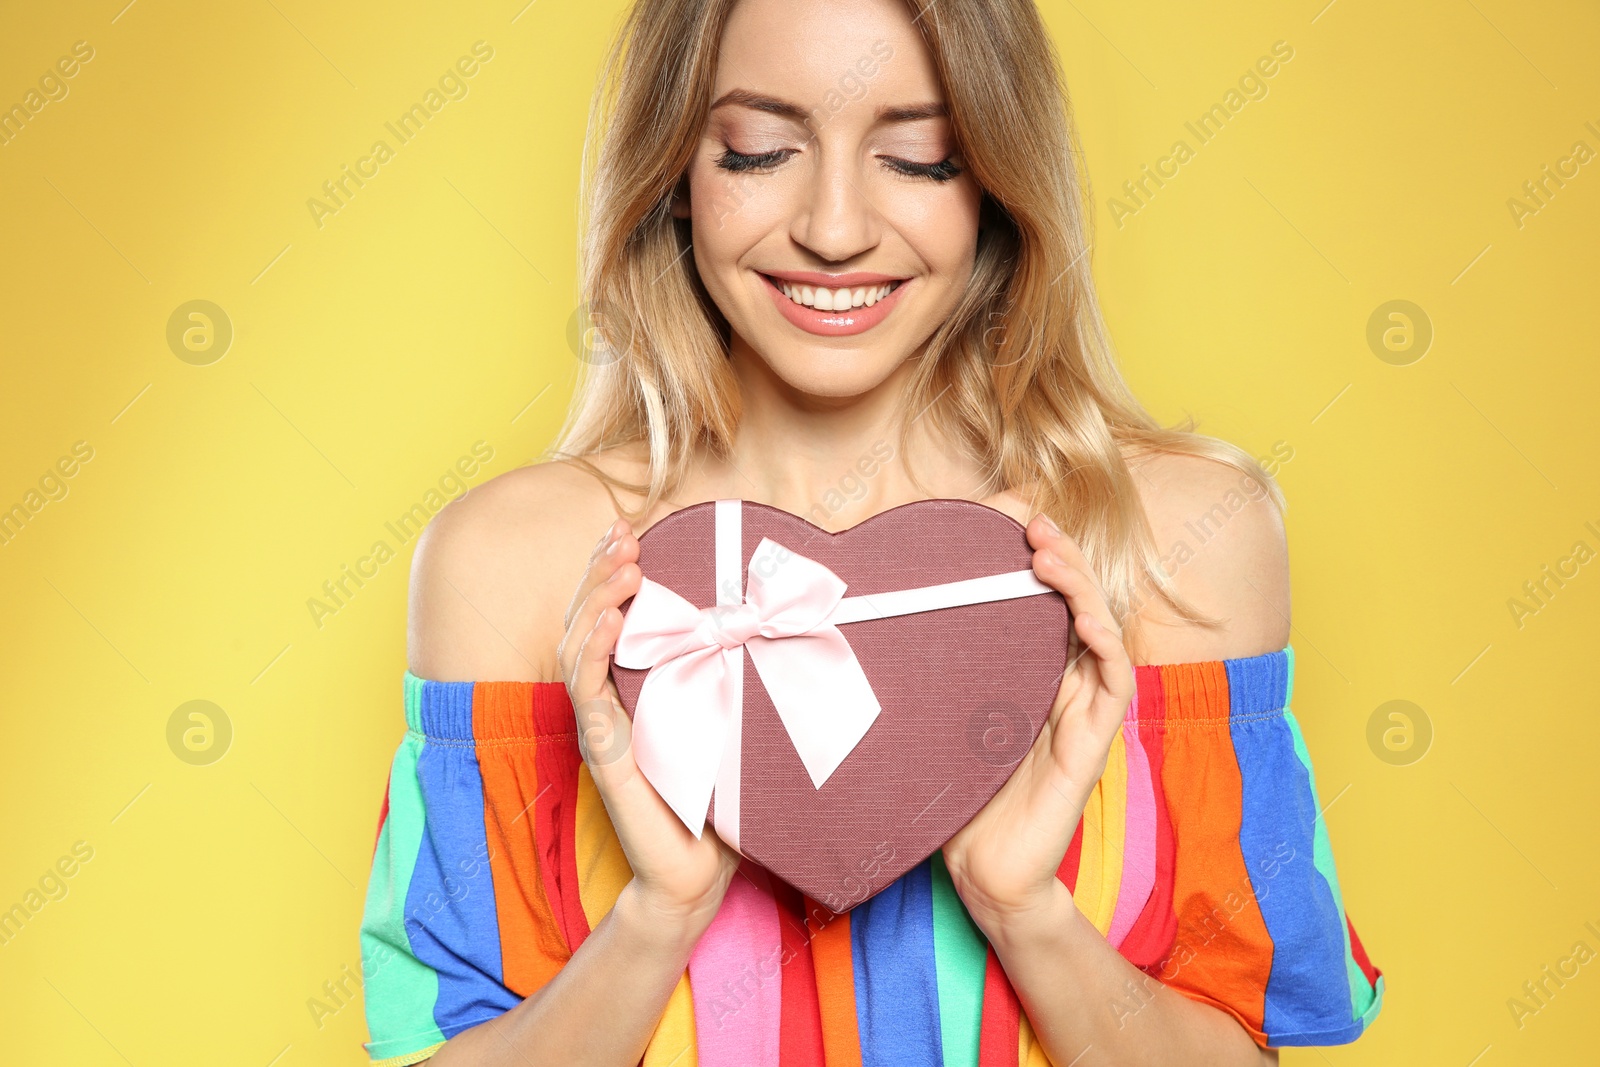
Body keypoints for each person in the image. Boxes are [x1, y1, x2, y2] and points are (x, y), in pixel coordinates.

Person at [358, 0, 1384, 1063]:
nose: (835, 228)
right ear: (674, 172)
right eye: (758, 151)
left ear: (994, 176)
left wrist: (1021, 905)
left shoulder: (1179, 540)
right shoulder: (513, 564)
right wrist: (655, 916)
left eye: (918, 157)